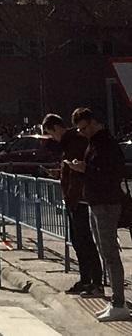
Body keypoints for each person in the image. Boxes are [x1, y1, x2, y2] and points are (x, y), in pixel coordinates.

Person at [66, 108, 130, 322]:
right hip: (96, 202)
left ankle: (119, 302)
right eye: (79, 129)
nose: (82, 133)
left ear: (93, 122)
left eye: (84, 128)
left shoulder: (106, 144)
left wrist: (86, 169)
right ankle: (115, 300)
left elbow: (111, 173)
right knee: (105, 252)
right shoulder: (94, 142)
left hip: (106, 203)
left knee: (110, 253)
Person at [42, 114, 103, 297]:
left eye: (51, 134)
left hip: (80, 199)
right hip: (73, 198)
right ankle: (86, 279)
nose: (53, 139)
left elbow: (80, 169)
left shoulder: (74, 141)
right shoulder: (69, 143)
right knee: (78, 240)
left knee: (85, 241)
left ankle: (95, 281)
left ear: (56, 128)